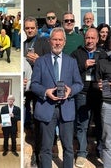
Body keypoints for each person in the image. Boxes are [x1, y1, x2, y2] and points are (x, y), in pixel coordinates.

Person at [31, 27, 83, 168]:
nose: (58, 43)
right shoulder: (41, 61)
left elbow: (79, 84)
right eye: (55, 39)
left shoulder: (71, 62)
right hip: (46, 108)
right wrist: (45, 91)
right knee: (46, 148)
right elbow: (34, 84)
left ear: (64, 42)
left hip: (66, 109)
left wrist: (70, 90)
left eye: (60, 40)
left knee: (68, 148)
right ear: (50, 41)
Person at [71, 28, 107, 167]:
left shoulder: (102, 54)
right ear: (84, 38)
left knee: (100, 124)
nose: (90, 40)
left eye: (93, 38)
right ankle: (81, 153)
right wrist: (83, 65)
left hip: (99, 94)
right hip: (82, 93)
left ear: (97, 39)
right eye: (87, 38)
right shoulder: (77, 53)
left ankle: (100, 152)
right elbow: (72, 72)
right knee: (82, 124)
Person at [23, 16, 50, 166]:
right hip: (27, 87)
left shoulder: (44, 42)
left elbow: (50, 64)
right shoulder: (23, 43)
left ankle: (38, 152)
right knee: (28, 118)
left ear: (37, 27)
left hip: (40, 87)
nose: (30, 30)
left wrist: (38, 59)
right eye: (27, 28)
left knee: (39, 119)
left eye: (32, 28)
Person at [96, 50, 111, 168]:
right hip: (107, 104)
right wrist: (100, 86)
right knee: (107, 141)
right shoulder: (103, 62)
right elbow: (96, 82)